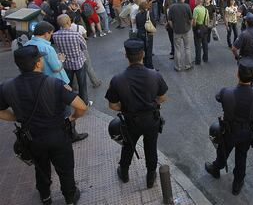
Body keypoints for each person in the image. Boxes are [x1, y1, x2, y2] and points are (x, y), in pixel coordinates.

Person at [0, 45, 87, 205]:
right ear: (38, 63)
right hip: (57, 135)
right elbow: (81, 106)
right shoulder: (55, 83)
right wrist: (72, 118)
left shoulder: (7, 87)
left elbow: (1, 111)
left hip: (31, 138)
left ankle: (45, 197)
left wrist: (17, 117)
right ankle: (70, 197)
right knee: (65, 168)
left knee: (40, 168)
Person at [105, 39, 168, 188]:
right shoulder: (154, 75)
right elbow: (163, 97)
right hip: (151, 119)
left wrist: (127, 107)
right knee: (151, 147)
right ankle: (150, 177)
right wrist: (152, 104)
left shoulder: (117, 79)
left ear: (126, 55)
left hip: (131, 121)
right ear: (143, 54)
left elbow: (113, 105)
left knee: (128, 146)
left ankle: (124, 173)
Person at [204, 58, 253, 195]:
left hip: (229, 131)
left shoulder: (227, 92)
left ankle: (216, 169)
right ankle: (237, 183)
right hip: (247, 132)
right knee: (242, 156)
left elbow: (217, 97)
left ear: (238, 74)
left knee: (223, 151)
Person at [53, 14, 91, 107]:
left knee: (68, 84)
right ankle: (84, 102)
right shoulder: (76, 34)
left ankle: (70, 101)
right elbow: (84, 47)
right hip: (78, 62)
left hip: (66, 63)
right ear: (68, 22)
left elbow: (58, 48)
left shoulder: (55, 35)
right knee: (82, 84)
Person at [168, 0, 193, 71]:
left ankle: (178, 66)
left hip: (176, 30)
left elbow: (169, 20)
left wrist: (173, 27)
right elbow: (191, 18)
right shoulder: (187, 6)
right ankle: (188, 65)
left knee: (177, 49)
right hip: (186, 29)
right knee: (187, 48)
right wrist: (189, 27)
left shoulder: (172, 7)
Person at [135, 1, 155, 69]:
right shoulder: (149, 14)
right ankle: (150, 66)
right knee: (149, 50)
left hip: (140, 34)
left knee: (142, 50)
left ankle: (143, 65)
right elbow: (153, 23)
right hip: (147, 34)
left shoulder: (137, 15)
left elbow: (137, 25)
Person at [192, 0, 209, 65]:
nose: (194, 2)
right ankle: (205, 58)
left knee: (198, 45)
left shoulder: (196, 9)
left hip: (198, 28)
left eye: (195, 1)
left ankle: (198, 60)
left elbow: (194, 21)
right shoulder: (205, 9)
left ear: (197, 2)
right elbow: (207, 20)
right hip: (204, 27)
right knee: (205, 44)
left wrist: (193, 27)